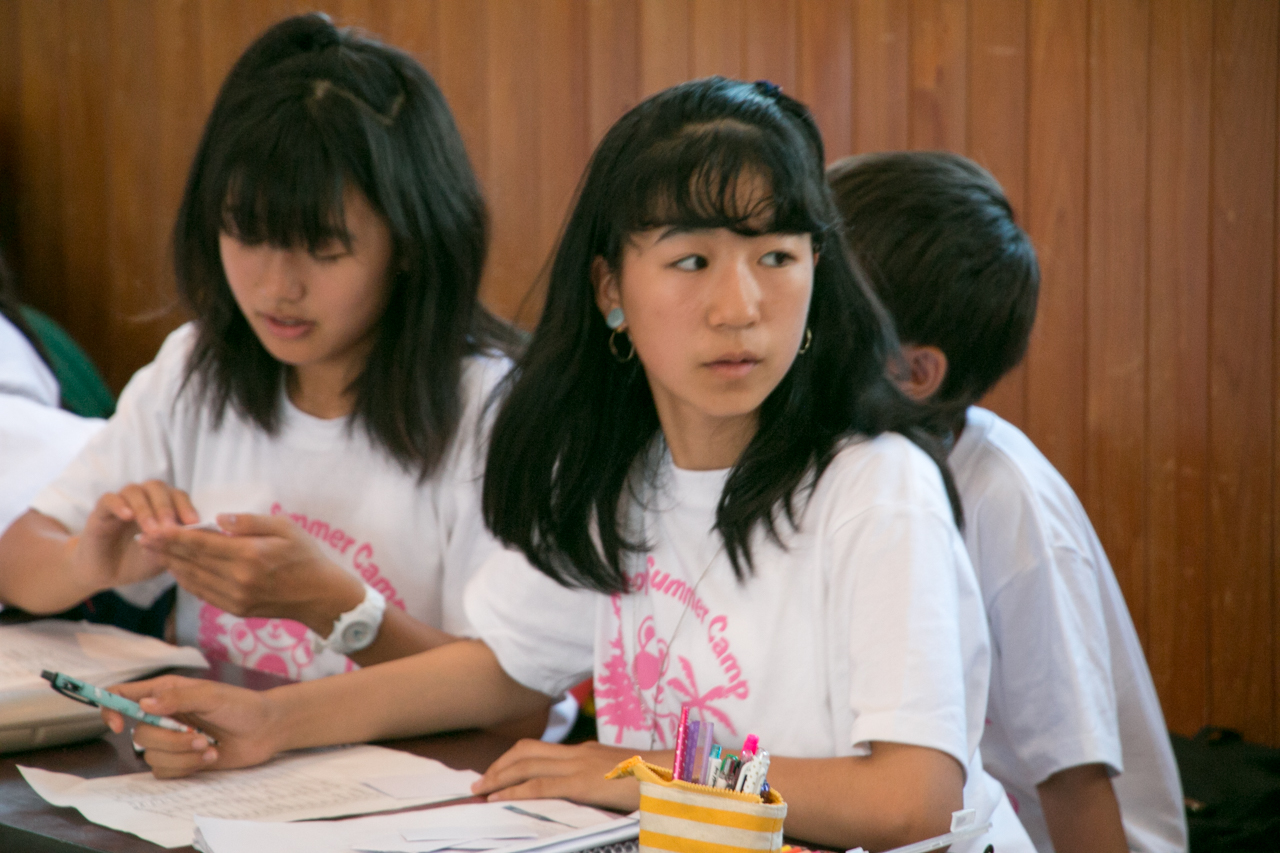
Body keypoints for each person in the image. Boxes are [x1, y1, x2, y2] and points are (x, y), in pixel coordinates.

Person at [106, 78, 1033, 852]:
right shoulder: (618, 473)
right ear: (610, 289)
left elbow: (911, 798)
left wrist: (646, 773)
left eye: (778, 256)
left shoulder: (876, 487)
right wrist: (268, 722)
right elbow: (501, 671)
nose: (740, 305)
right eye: (692, 260)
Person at [0, 14, 521, 682]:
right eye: (246, 235)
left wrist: (336, 608)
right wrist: (89, 562)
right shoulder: (196, 368)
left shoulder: (489, 408)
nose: (277, 288)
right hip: (223, 745)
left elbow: (515, 694)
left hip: (421, 755)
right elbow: (19, 557)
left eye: (324, 248)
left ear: (413, 242)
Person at [827, 151, 1186, 853]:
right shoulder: (846, 463)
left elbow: (1075, 782)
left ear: (914, 372)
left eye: (824, 302)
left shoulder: (1008, 503)